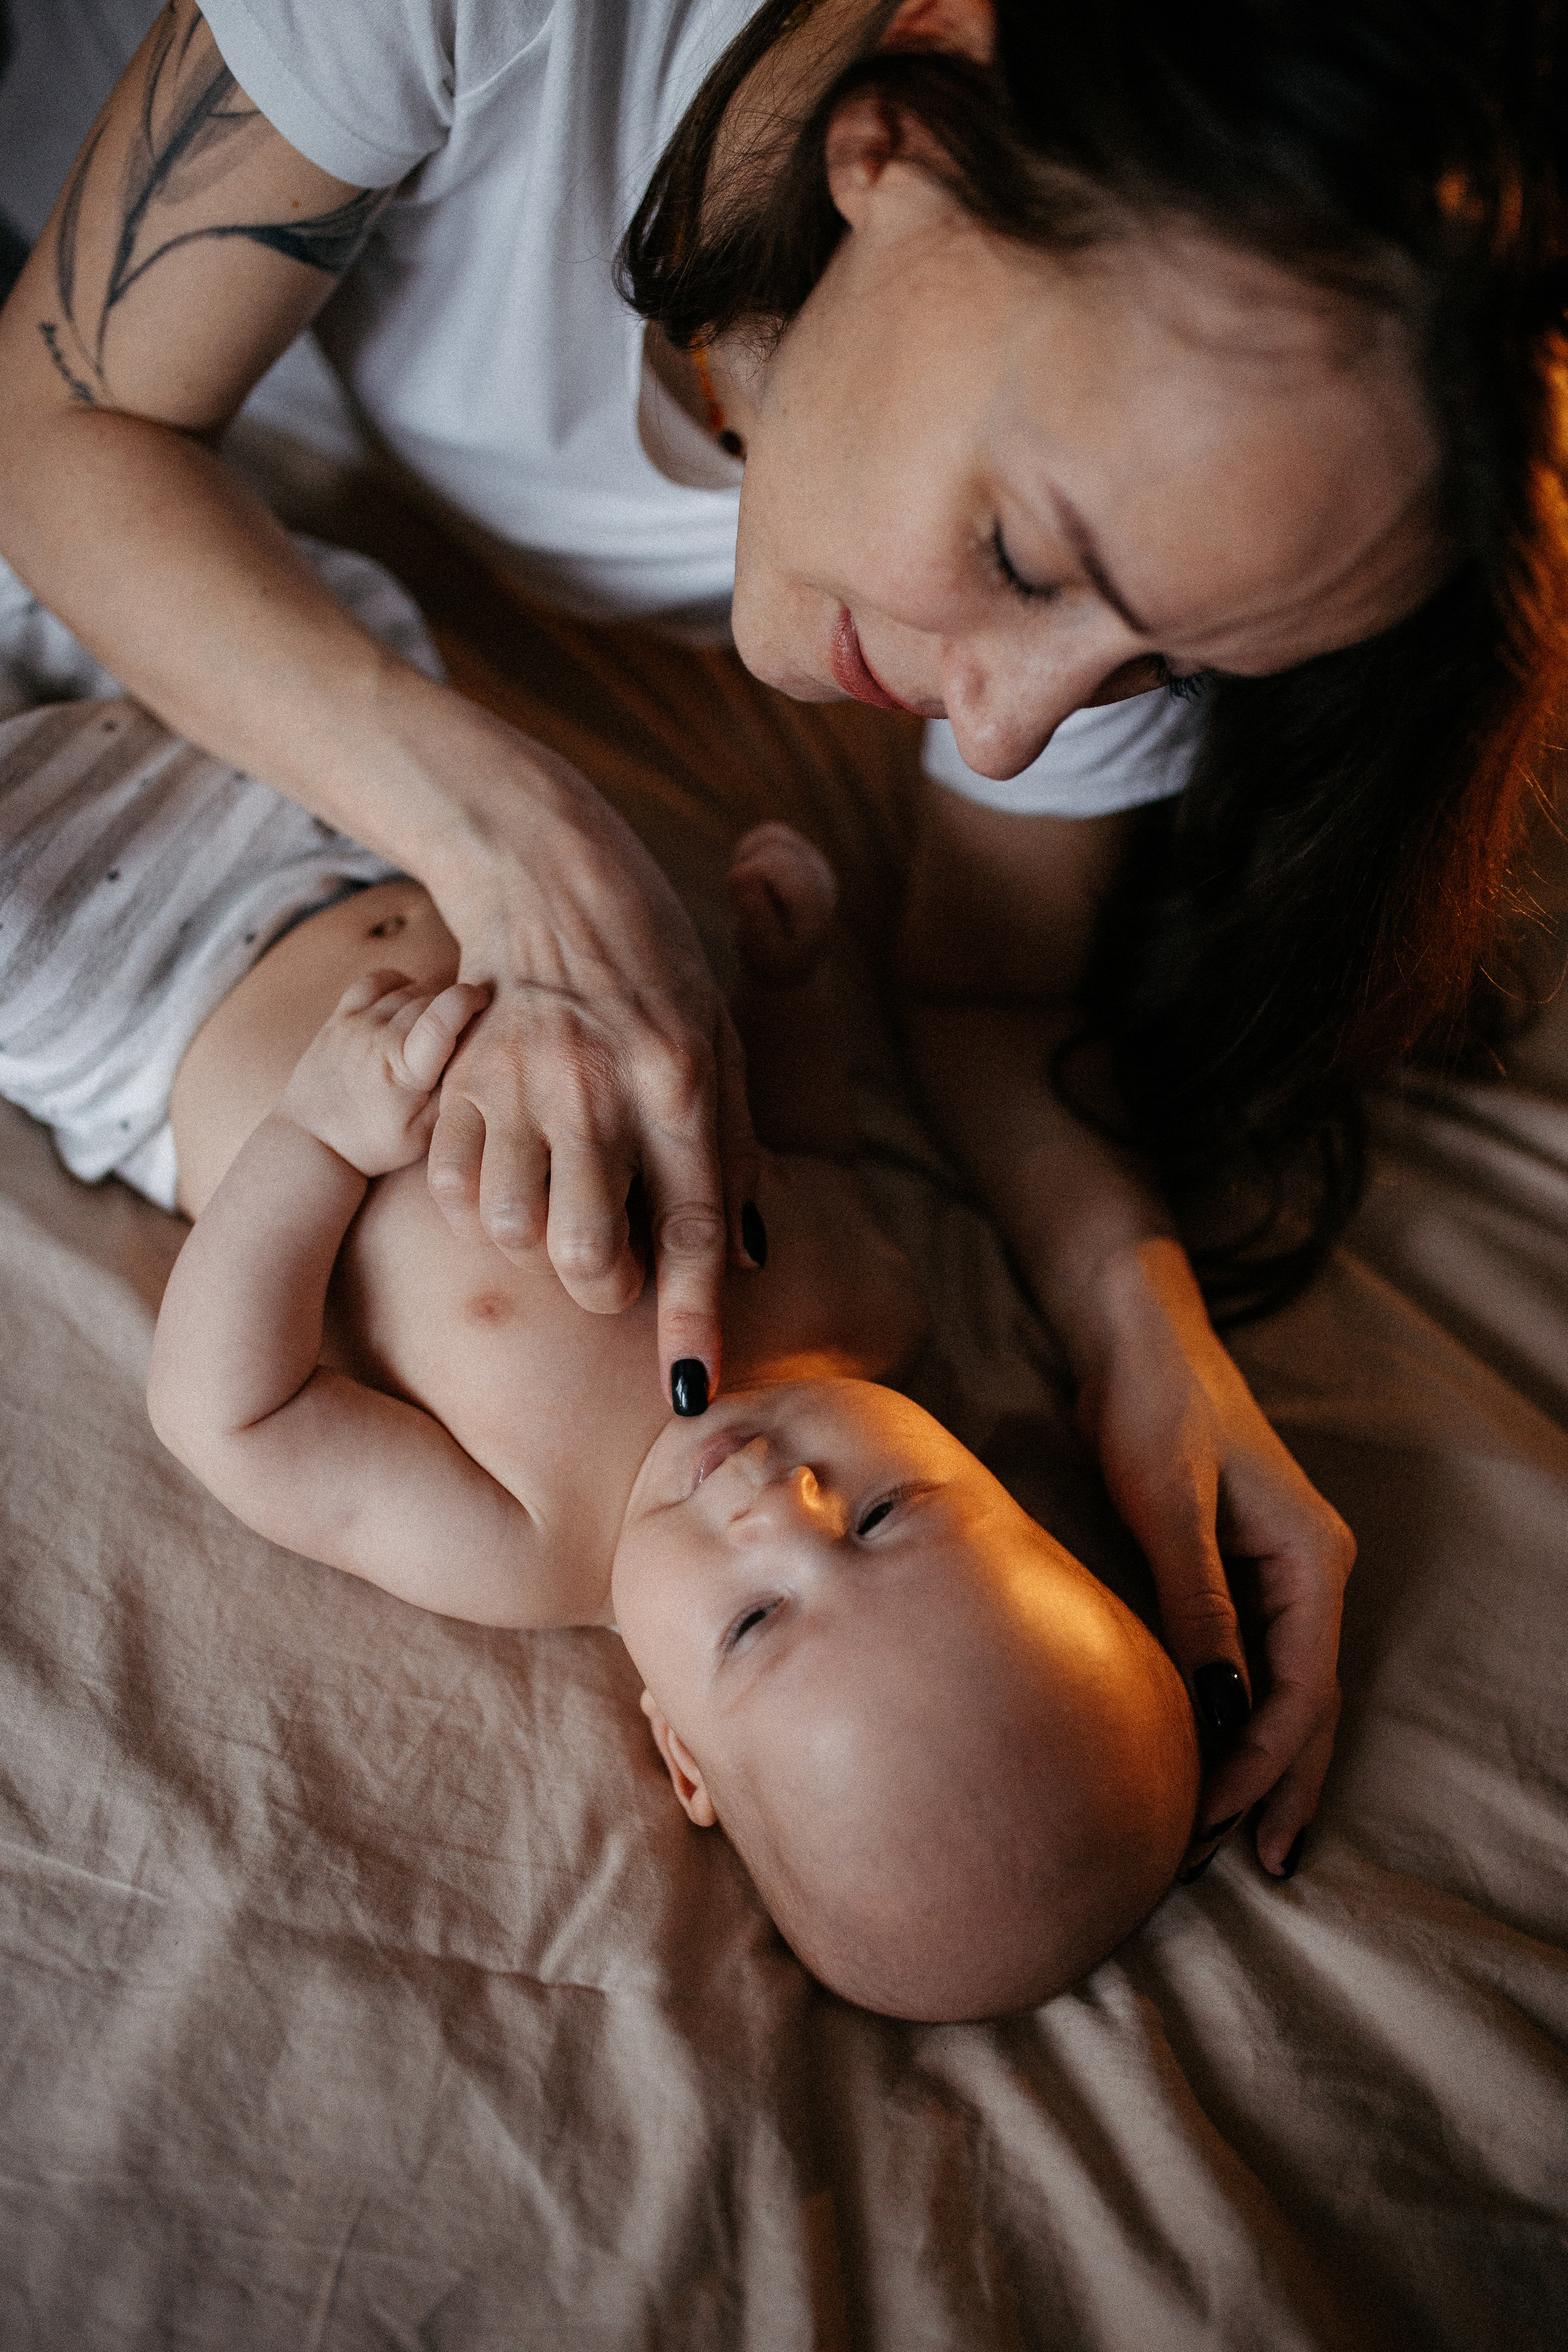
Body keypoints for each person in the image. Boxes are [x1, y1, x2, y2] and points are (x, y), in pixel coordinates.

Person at [0, 0, 1561, 1895]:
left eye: (1157, 670)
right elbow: (58, 422)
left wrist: (1141, 1334)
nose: (999, 740)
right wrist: (531, 858)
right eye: (1026, 556)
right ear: (898, 135)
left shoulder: (1223, 518)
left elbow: (984, 993)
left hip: (138, 925)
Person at [0, 683, 1187, 2026]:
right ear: (999, 1490)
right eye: (882, 1516)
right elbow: (805, 1146)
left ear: (679, 1752)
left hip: (143, 981)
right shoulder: (871, 1306)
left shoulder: (529, 1542)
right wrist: (788, 985)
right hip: (399, 805)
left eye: (753, 1622)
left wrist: (319, 1138)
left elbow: (233, 1416)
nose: (772, 1506)